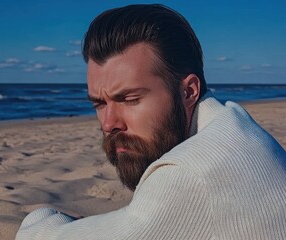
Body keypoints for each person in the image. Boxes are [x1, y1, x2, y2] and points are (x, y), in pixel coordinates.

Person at [16, 4, 286, 239]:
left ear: (188, 91)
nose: (109, 124)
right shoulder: (234, 125)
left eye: (130, 99)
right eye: (99, 103)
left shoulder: (190, 171)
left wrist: (38, 218)